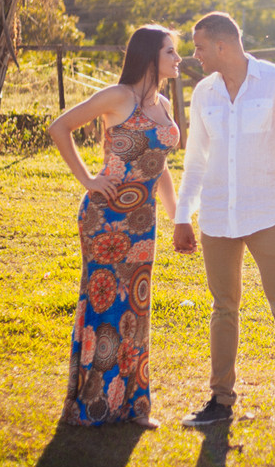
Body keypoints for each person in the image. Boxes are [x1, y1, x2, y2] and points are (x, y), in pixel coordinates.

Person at [173, 12, 275, 438]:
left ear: (222, 46)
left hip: (266, 214)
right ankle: (220, 401)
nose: (196, 55)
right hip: (217, 215)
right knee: (223, 308)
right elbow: (196, 160)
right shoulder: (203, 92)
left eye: (200, 47)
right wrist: (182, 215)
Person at [48, 25, 183, 428]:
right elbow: (60, 127)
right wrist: (88, 179)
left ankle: (133, 405)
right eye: (171, 52)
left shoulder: (162, 104)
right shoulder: (118, 97)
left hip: (144, 222)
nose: (178, 59)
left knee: (137, 308)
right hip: (105, 218)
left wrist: (178, 217)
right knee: (107, 304)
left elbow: (158, 168)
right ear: (149, 56)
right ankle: (93, 405)